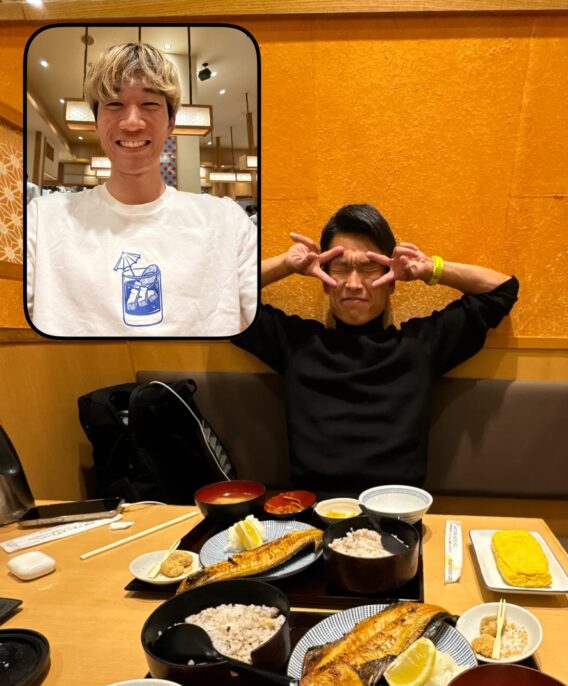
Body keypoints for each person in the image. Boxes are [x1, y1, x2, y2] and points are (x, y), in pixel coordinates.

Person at [233, 203, 518, 493]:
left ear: (391, 281)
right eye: (341, 267)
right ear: (324, 282)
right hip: (313, 512)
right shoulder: (296, 343)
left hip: (397, 511)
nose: (354, 284)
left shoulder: (419, 346)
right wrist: (287, 264)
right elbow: (223, 298)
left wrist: (427, 268)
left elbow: (502, 290)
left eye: (369, 268)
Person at [26, 42, 259, 338]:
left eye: (150, 104)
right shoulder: (42, 220)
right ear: (96, 121)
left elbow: (255, 304)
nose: (132, 123)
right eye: (114, 104)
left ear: (171, 122)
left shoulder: (225, 220)